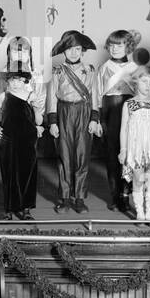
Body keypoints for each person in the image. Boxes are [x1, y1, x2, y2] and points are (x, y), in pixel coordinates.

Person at [90, 29, 141, 212]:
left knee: (129, 154)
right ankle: (115, 195)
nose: (115, 49)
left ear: (128, 46)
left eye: (119, 45)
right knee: (112, 156)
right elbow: (96, 95)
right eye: (112, 45)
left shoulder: (135, 68)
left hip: (131, 113)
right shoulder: (103, 68)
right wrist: (97, 119)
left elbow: (143, 95)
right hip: (110, 112)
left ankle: (126, 195)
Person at [48, 30, 96, 213]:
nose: (74, 53)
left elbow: (94, 96)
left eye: (77, 49)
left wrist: (94, 118)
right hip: (64, 112)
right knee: (64, 156)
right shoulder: (57, 71)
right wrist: (52, 121)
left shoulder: (90, 70)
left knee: (82, 157)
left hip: (83, 112)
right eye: (69, 49)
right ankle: (65, 197)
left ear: (83, 51)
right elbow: (52, 97)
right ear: (64, 52)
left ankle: (80, 198)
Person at [0, 65, 43, 221]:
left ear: (25, 81)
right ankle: (8, 210)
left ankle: (26, 209)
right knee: (9, 173)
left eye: (20, 80)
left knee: (27, 173)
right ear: (8, 80)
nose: (16, 83)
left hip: (27, 139)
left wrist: (36, 108)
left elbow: (39, 120)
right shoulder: (3, 96)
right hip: (9, 140)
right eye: (13, 79)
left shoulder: (31, 95)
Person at [118, 67, 150, 223]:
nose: (148, 85)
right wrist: (123, 149)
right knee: (138, 178)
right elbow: (124, 128)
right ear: (136, 82)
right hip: (136, 148)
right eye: (144, 81)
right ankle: (139, 213)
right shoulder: (129, 104)